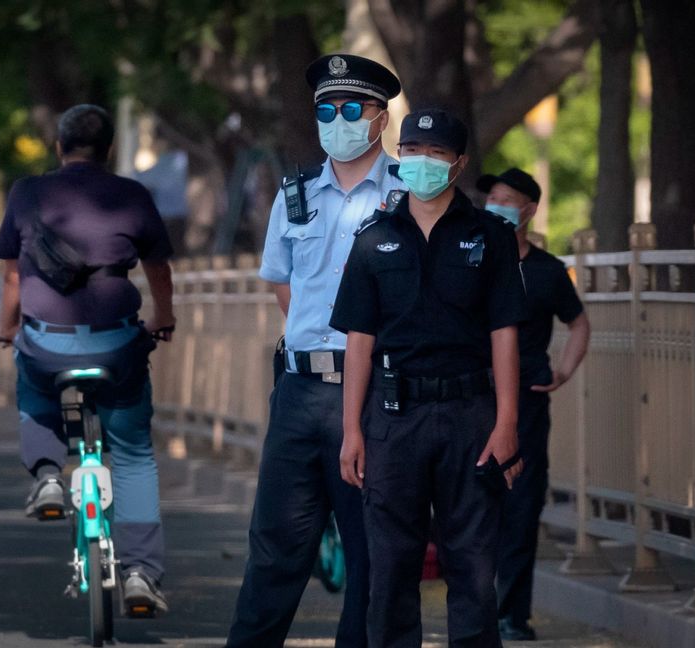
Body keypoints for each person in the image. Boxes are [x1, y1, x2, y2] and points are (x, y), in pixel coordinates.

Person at [226, 54, 405, 648]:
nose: (338, 120)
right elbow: (285, 286)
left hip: (378, 394)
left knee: (371, 559)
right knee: (275, 550)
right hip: (301, 392)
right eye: (326, 110)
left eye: (352, 108)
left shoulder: (409, 193)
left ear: (380, 118)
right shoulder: (295, 194)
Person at [330, 108, 527, 648]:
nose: (422, 161)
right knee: (390, 566)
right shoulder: (373, 237)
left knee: (473, 567)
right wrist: (352, 431)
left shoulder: (491, 237)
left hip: (471, 415)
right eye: (412, 149)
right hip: (394, 419)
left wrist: (507, 422)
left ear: (458, 164)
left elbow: (504, 332)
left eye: (436, 153)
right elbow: (360, 341)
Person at [0, 103, 177, 616]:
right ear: (111, 149)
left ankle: (49, 474)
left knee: (31, 384)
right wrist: (163, 318)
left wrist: (8, 327)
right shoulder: (133, 195)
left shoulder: (27, 193)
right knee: (134, 454)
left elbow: (12, 277)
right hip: (117, 346)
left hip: (47, 344)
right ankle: (141, 572)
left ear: (58, 147)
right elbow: (159, 270)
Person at [478, 168, 590, 642]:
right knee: (473, 506)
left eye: (507, 199)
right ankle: (476, 608)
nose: (496, 205)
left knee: (521, 508)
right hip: (474, 396)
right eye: (493, 198)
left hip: (527, 401)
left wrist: (562, 371)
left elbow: (579, 323)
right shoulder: (473, 257)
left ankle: (512, 614)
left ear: (528, 210)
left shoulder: (547, 271)